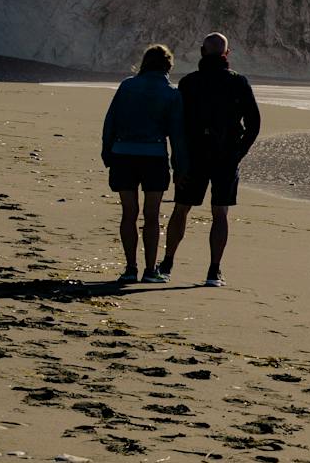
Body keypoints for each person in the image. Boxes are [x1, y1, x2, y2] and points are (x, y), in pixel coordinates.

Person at [162, 32, 260, 287]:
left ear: (202, 52)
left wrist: (178, 158)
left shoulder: (189, 83)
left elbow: (177, 125)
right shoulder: (238, 82)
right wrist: (239, 152)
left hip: (194, 155)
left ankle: (166, 264)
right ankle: (213, 271)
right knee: (220, 212)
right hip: (225, 156)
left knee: (181, 208)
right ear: (227, 54)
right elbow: (254, 123)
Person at [100, 43, 185, 285]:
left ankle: (129, 268)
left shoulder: (127, 86)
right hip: (154, 157)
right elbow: (177, 135)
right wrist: (180, 166)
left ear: (144, 63)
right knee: (151, 215)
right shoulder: (172, 92)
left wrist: (107, 152)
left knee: (128, 213)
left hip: (123, 154)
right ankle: (149, 270)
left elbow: (110, 122)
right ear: (168, 65)